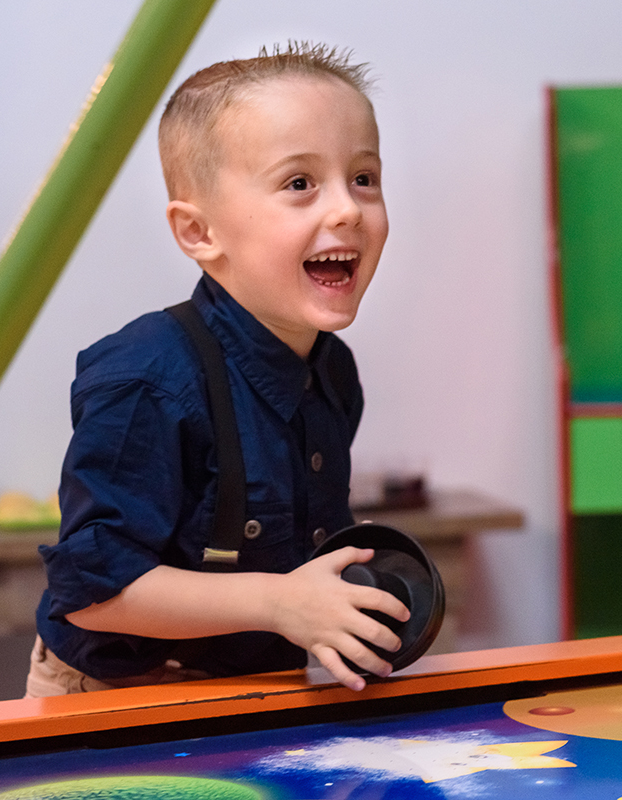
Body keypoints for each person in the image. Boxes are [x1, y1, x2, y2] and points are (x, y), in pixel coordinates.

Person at [26, 42, 403, 697]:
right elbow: (93, 592)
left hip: (258, 683)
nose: (346, 208)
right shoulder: (147, 379)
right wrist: (278, 603)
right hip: (116, 697)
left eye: (363, 178)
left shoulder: (333, 373)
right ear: (200, 234)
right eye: (299, 184)